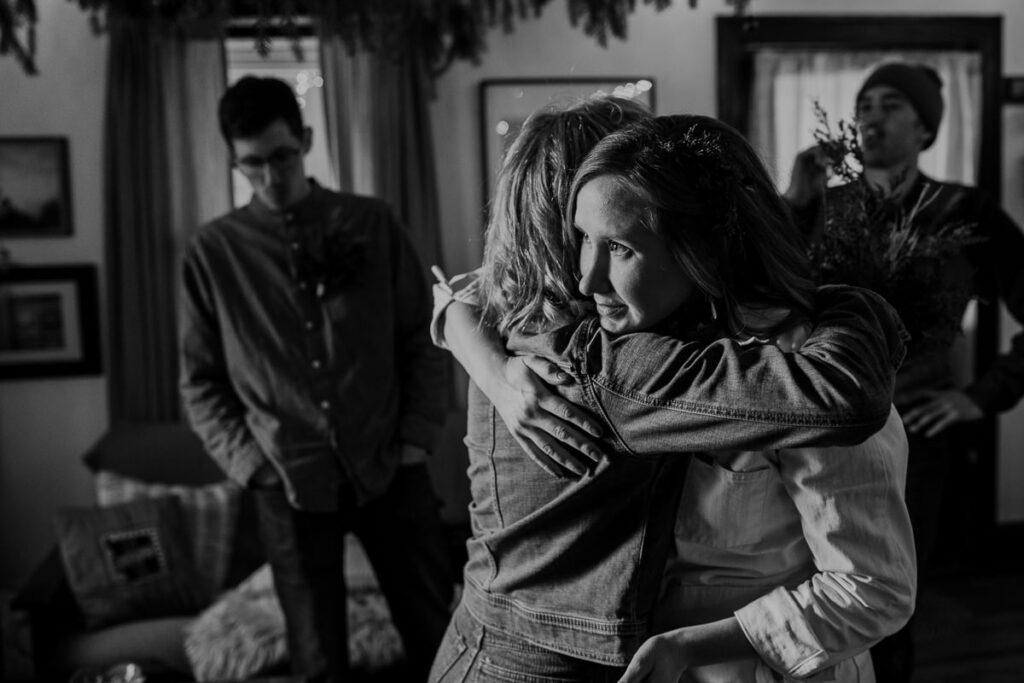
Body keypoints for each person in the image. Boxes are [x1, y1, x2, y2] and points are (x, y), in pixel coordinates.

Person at [429, 104, 910, 682]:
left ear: (699, 247)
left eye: (621, 246)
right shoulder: (590, 344)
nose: (586, 279)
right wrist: (489, 365)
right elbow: (464, 294)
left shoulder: (785, 362)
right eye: (581, 237)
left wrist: (696, 645)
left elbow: (873, 586)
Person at [179, 75, 453, 682]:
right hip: (287, 482)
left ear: (304, 140)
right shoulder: (212, 253)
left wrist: (415, 441)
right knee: (317, 657)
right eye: (253, 164)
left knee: (439, 636)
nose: (272, 178)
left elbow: (424, 334)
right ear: (233, 160)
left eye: (282, 157)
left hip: (392, 468)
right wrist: (253, 467)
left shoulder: (373, 223)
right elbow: (200, 383)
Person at [784, 61, 1024, 683]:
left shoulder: (964, 210)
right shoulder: (825, 206)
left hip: (918, 432)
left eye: (891, 104)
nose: (871, 114)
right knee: (808, 587)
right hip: (818, 428)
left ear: (924, 128)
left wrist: (982, 396)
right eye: (864, 103)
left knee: (887, 602)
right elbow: (762, 298)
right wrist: (793, 201)